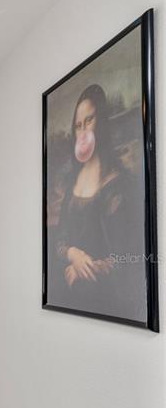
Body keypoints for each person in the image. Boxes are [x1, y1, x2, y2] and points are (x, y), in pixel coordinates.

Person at [49, 83, 145, 320]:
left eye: (89, 120)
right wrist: (73, 254)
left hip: (106, 300)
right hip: (69, 299)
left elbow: (126, 257)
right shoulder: (72, 182)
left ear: (101, 121)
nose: (83, 131)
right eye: (78, 125)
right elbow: (60, 239)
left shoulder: (118, 184)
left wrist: (84, 269)